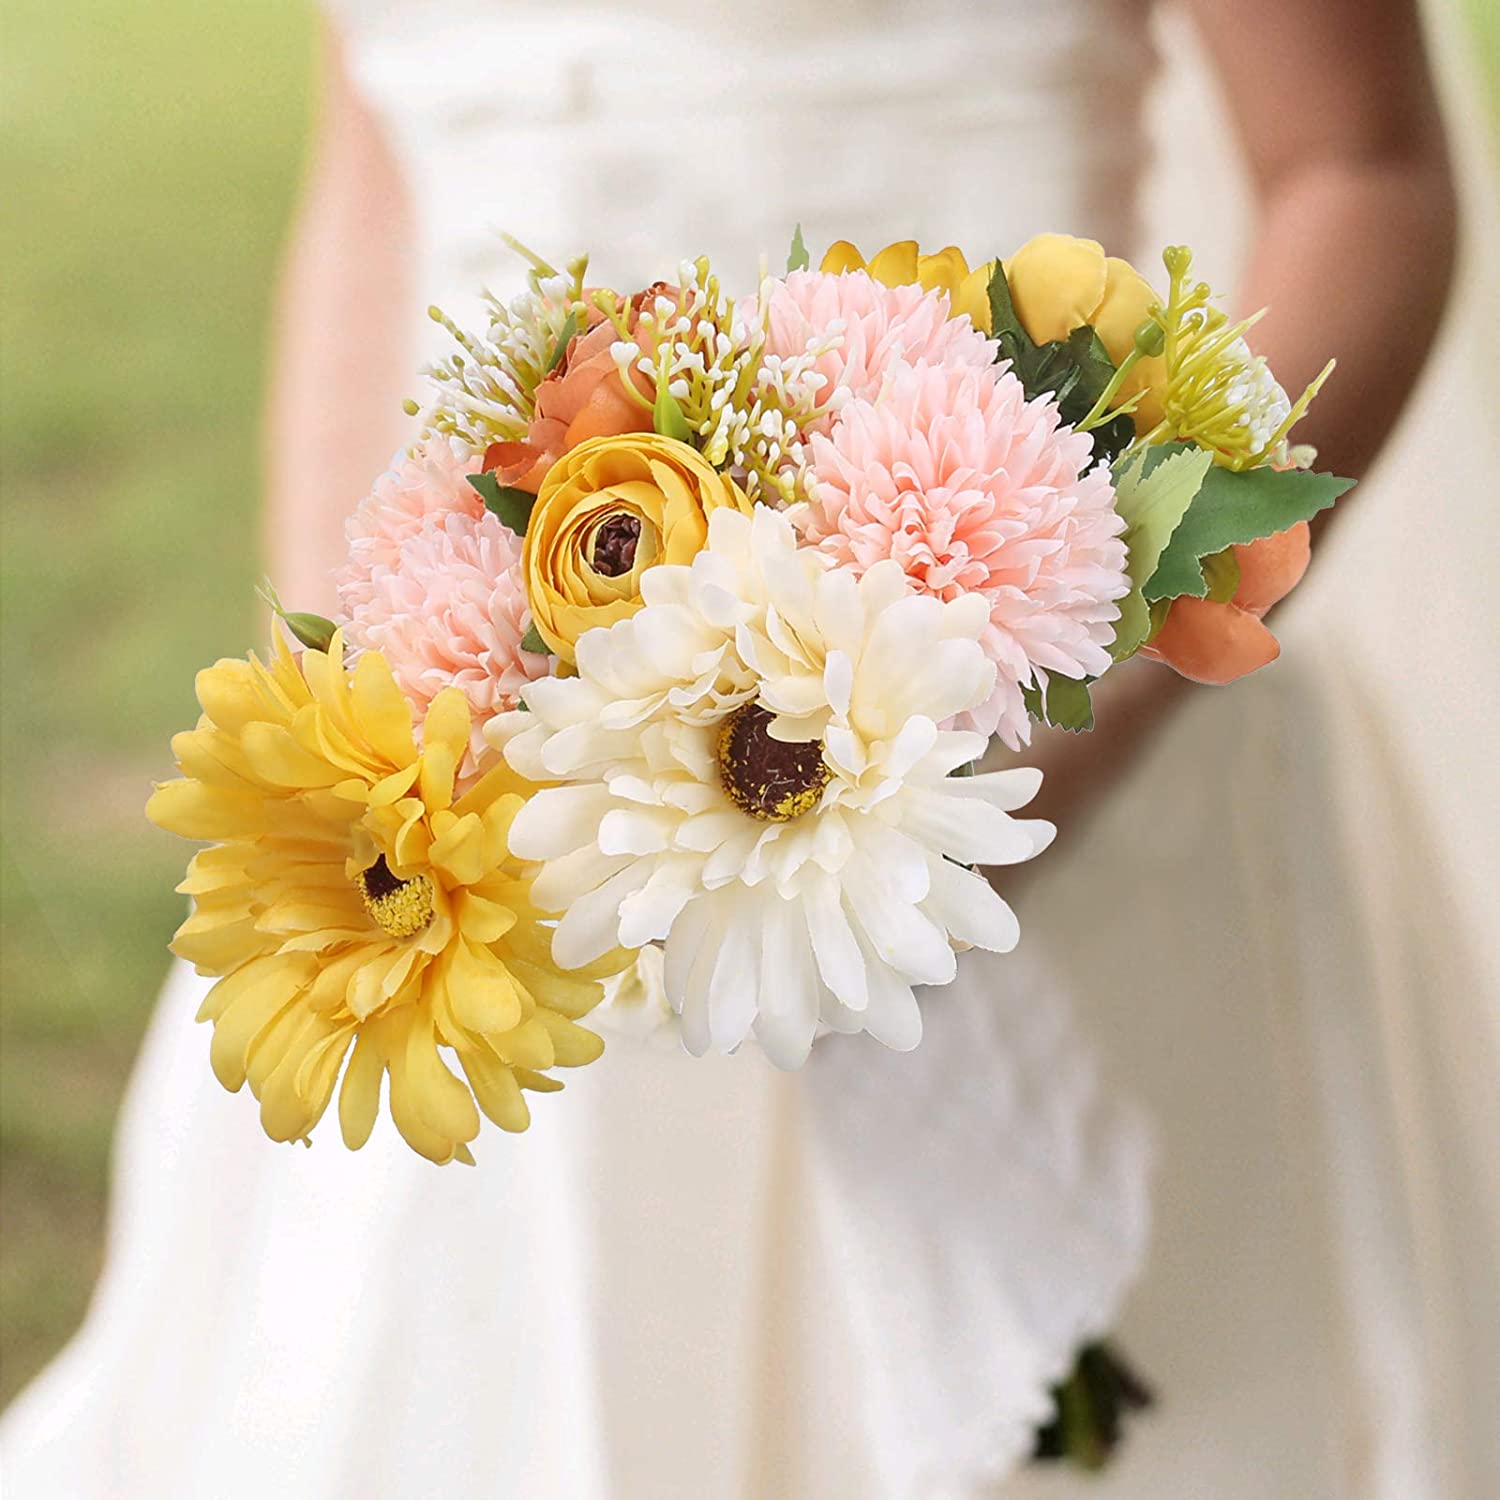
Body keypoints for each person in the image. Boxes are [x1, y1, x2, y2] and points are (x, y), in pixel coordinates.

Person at [4, 0, 1489, 1495]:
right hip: (494, 838)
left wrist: (1035, 745)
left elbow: (1356, 167)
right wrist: (351, 704)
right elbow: (376, 184)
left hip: (1058, 766)